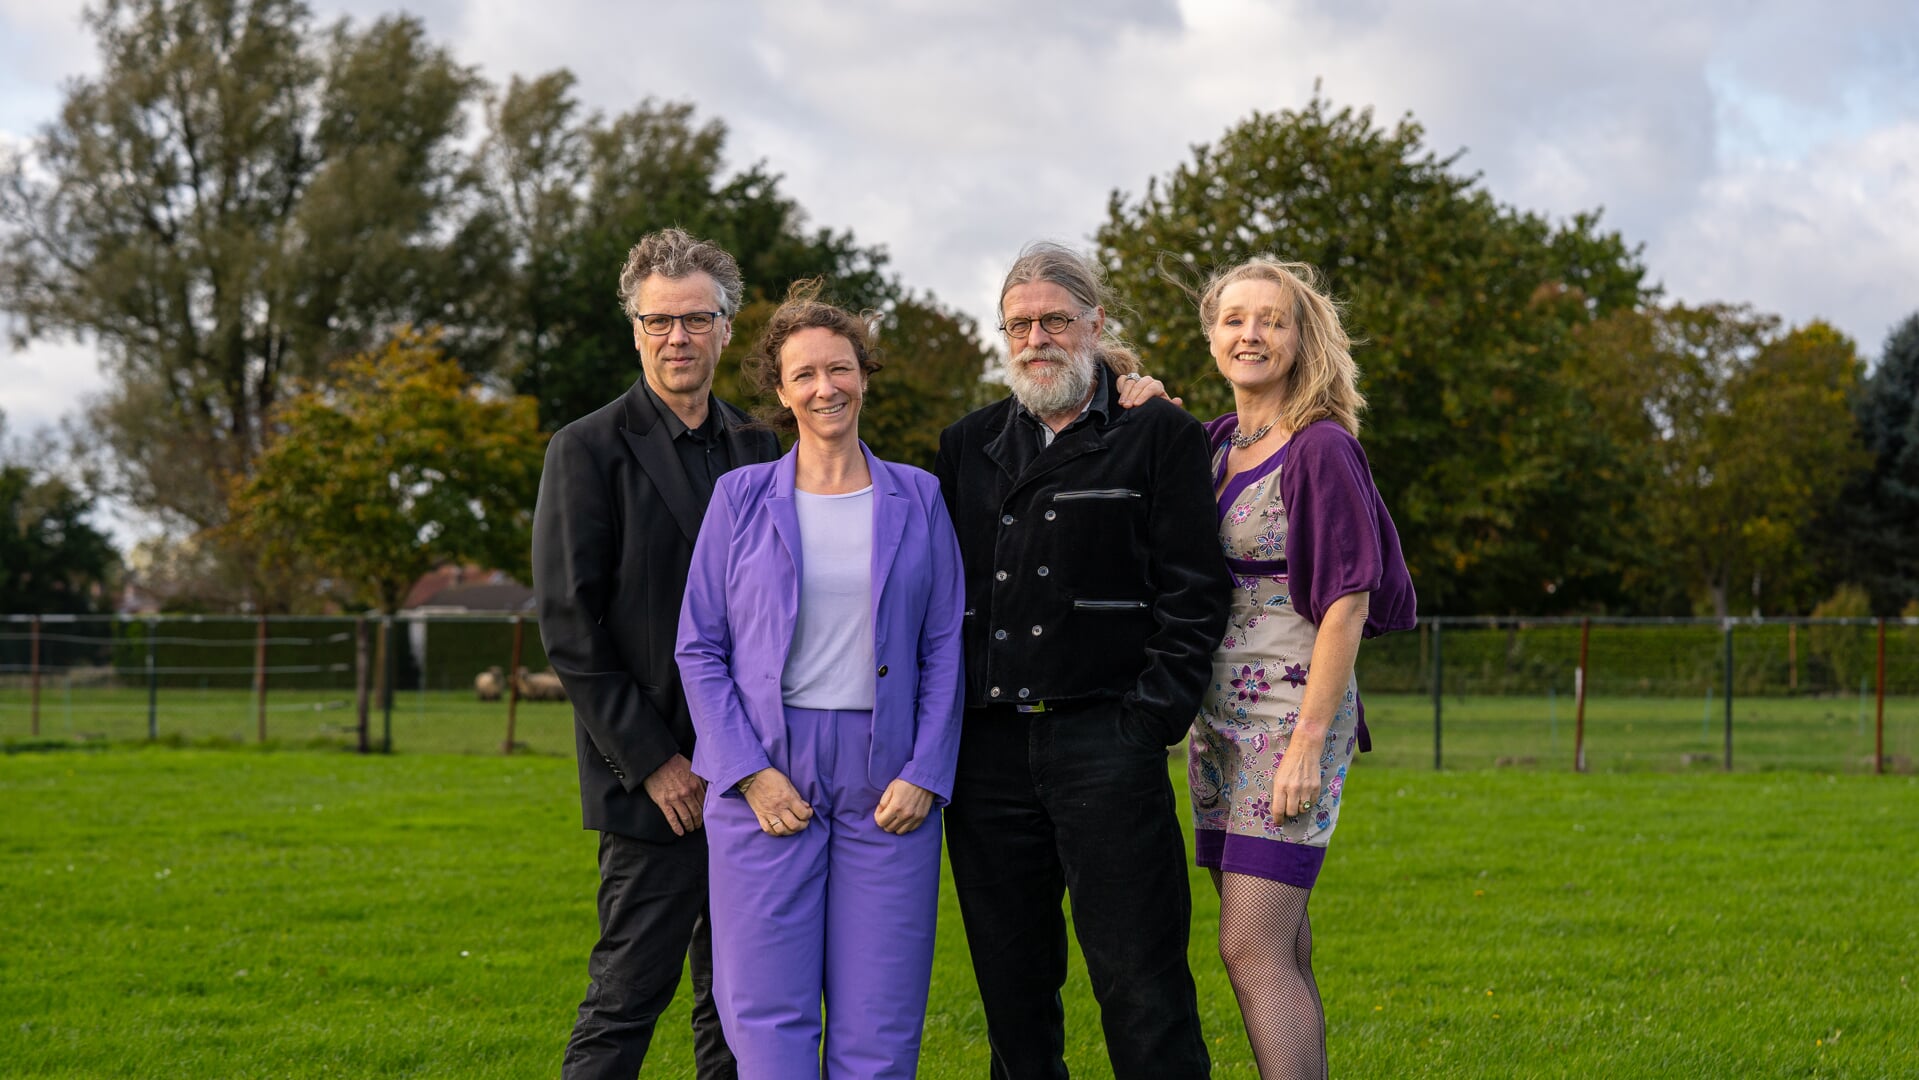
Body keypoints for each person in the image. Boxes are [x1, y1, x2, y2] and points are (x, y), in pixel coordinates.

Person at [932, 241, 1233, 1079]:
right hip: (987, 756)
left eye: (1055, 320)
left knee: (1141, 987)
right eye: (1018, 324)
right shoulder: (965, 444)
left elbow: (1194, 591)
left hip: (1108, 741)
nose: (1036, 338)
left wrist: (1148, 722)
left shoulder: (1156, 432)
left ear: (1094, 325)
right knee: (1013, 991)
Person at [675, 282, 966, 1078]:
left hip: (888, 779)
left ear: (863, 376)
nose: (824, 388)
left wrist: (925, 774)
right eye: (803, 375)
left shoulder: (919, 495)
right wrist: (748, 774)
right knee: (766, 1017)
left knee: (881, 1018)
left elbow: (944, 647)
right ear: (780, 390)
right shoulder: (738, 500)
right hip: (767, 770)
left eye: (838, 369)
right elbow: (698, 647)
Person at [532, 228, 779, 1079]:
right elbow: (570, 626)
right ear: (634, 329)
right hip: (656, 786)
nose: (678, 338)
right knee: (628, 998)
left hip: (753, 775)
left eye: (696, 320)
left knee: (739, 1007)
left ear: (725, 327)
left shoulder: (762, 447)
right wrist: (653, 761)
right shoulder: (586, 450)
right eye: (659, 321)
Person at [1187, 258, 1415, 1078]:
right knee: (1281, 947)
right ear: (1212, 335)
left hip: (1287, 727)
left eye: (1271, 320)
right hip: (1216, 727)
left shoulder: (1319, 448)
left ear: (1300, 337)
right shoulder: (1214, 444)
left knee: (1248, 948)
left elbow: (1348, 602)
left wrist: (1310, 743)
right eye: (1235, 319)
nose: (1251, 334)